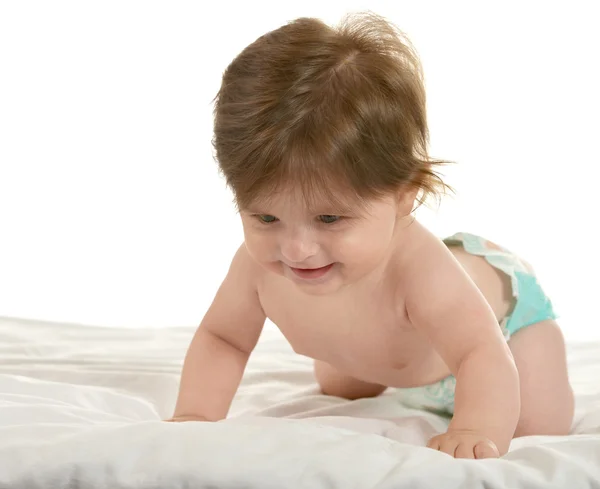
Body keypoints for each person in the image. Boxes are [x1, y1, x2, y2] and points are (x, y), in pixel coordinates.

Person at [167, 12, 574, 459]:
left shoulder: (421, 271)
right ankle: (372, 358)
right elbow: (224, 338)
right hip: (396, 346)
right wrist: (195, 417)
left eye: (328, 219)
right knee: (341, 384)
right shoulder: (255, 268)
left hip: (501, 330)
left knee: (537, 428)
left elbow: (481, 353)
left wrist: (475, 429)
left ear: (404, 196)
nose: (295, 249)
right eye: (265, 219)